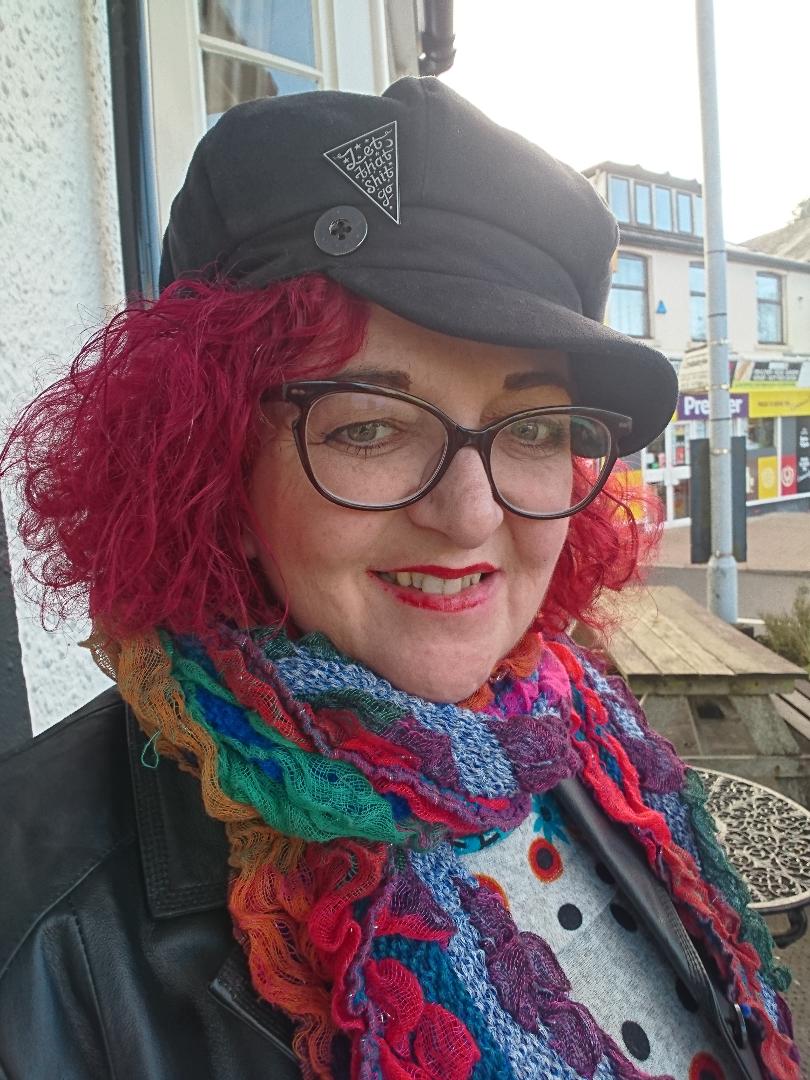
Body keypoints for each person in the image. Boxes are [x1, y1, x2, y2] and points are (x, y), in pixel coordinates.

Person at [0, 78, 799, 1080]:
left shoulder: (581, 728)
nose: (470, 516)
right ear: (210, 463)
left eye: (535, 429)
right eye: (370, 426)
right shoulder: (39, 941)